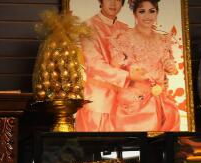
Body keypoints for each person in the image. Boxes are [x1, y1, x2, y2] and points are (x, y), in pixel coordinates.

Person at [110, 0, 180, 131]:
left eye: (152, 11)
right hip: (134, 99)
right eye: (142, 11)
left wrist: (170, 67)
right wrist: (132, 72)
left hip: (158, 97)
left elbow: (166, 62)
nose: (147, 16)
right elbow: (116, 68)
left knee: (171, 115)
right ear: (134, 14)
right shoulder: (124, 38)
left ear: (157, 13)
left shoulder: (162, 39)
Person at [76, 0, 130, 132]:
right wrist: (128, 76)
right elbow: (94, 64)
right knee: (93, 146)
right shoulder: (88, 27)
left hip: (124, 101)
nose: (113, 3)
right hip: (98, 100)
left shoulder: (125, 28)